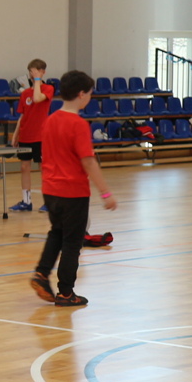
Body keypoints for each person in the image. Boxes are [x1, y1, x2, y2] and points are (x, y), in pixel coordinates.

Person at [29, 70, 116, 308]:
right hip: (73, 191)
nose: (90, 97)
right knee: (72, 242)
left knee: (56, 233)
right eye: (90, 93)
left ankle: (41, 273)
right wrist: (106, 193)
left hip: (50, 189)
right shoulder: (77, 124)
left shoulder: (50, 120)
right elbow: (88, 162)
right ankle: (66, 293)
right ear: (81, 94)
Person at [11, 59, 54, 212]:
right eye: (30, 71)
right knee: (24, 167)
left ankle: (48, 202)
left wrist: (37, 80)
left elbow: (37, 98)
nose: (31, 74)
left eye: (35, 71)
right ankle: (26, 201)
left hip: (41, 137)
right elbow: (22, 116)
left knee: (43, 168)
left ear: (43, 72)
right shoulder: (25, 94)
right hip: (26, 136)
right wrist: (15, 135)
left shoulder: (48, 89)